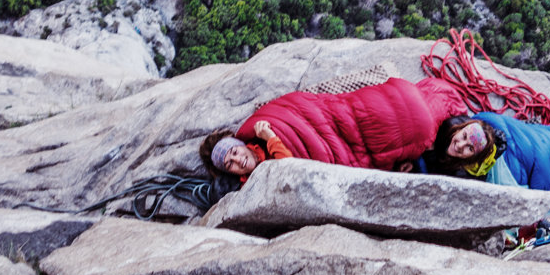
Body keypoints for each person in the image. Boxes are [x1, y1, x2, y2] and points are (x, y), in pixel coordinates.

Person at [201, 75, 469, 182]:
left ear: (239, 144)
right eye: (230, 163)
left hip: (343, 119)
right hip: (339, 154)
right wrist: (271, 137)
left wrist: (270, 131)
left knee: (390, 108)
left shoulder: (256, 132)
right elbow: (289, 169)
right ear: (232, 173)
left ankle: (439, 103)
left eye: (233, 152)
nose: (237, 159)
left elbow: (305, 108)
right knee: (416, 125)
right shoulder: (255, 178)